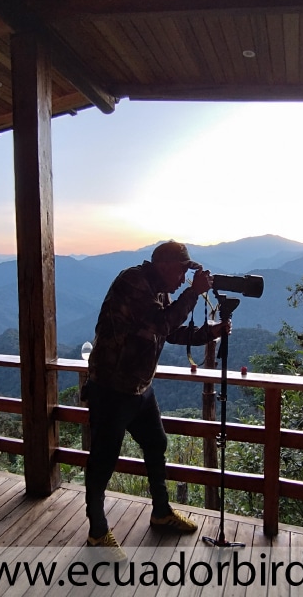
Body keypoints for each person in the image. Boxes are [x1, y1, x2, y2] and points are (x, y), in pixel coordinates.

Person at [83, 240, 229, 560]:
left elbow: (170, 332)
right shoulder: (133, 282)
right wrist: (193, 294)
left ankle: (160, 512)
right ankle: (96, 531)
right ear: (163, 265)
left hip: (138, 387)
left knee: (156, 443)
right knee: (104, 459)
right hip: (111, 387)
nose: (184, 279)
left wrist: (210, 333)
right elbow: (160, 323)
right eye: (181, 270)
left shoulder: (159, 291)